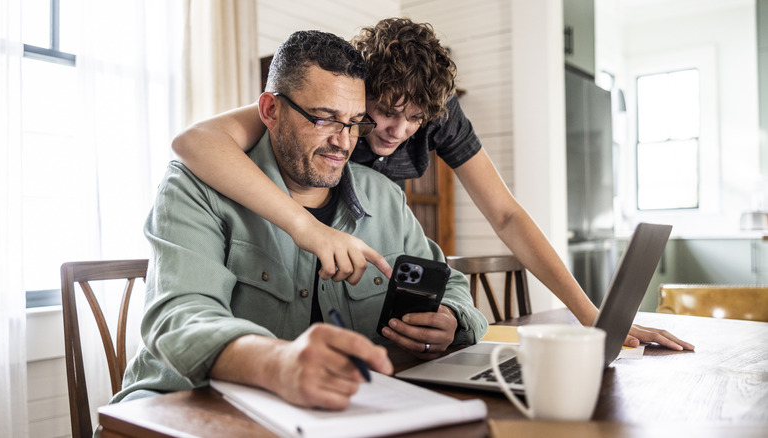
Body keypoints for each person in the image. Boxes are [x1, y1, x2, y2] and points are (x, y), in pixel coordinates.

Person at [171, 18, 694, 352]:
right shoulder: (322, 114)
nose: (396, 132)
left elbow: (506, 215)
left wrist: (593, 319)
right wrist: (306, 228)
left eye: (415, 119)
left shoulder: (406, 157)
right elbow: (196, 142)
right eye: (380, 113)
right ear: (360, 90)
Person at [111, 30, 488, 410]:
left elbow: (450, 283)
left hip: (341, 411)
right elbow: (181, 320)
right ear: (271, 111)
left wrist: (452, 319)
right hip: (185, 407)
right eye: (324, 119)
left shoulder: (385, 196)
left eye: (355, 122)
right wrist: (278, 363)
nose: (344, 142)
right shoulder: (195, 185)